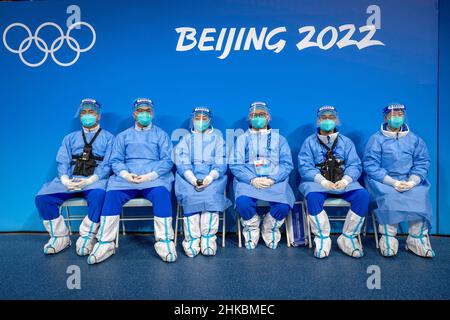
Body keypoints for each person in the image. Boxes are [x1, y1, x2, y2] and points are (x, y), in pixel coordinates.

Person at [87, 98, 176, 264]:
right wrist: (126, 174)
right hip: (126, 180)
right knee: (112, 195)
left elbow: (167, 160)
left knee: (161, 194)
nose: (144, 114)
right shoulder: (123, 136)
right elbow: (115, 160)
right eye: (141, 111)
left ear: (152, 114)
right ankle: (105, 243)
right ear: (134, 114)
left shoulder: (161, 135)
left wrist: (151, 175)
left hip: (153, 179)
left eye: (148, 111)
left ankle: (165, 242)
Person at [35, 98, 114, 256]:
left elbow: (108, 163)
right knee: (43, 197)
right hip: (72, 178)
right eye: (83, 112)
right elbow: (62, 160)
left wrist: (92, 179)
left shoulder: (109, 138)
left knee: (100, 195)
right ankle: (60, 237)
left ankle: (87, 236)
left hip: (95, 180)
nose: (87, 115)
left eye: (91, 112)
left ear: (98, 116)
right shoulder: (69, 138)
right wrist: (64, 179)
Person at [363, 103, 434, 258]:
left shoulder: (415, 140)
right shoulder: (376, 140)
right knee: (390, 197)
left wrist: (413, 181)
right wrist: (392, 182)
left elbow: (422, 163)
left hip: (409, 180)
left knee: (419, 196)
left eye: (400, 114)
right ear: (386, 117)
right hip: (383, 181)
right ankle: (388, 239)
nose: (397, 117)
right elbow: (371, 165)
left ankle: (417, 239)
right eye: (393, 114)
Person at [298, 105, 369, 259]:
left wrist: (345, 180)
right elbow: (305, 167)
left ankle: (348, 237)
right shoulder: (309, 142)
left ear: (337, 120)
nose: (327, 121)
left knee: (362, 196)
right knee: (313, 197)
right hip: (317, 182)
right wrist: (322, 181)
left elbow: (354, 165)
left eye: (331, 118)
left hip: (342, 181)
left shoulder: (346, 142)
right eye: (324, 118)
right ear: (318, 121)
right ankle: (322, 238)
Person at [230, 102, 295, 250]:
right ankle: (252, 228)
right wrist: (251, 179)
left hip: (274, 181)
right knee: (243, 203)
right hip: (249, 181)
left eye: (261, 115)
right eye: (254, 115)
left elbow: (287, 164)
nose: (258, 118)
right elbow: (235, 164)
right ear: (249, 118)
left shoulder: (280, 139)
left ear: (268, 117)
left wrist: (273, 178)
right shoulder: (242, 139)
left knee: (283, 205)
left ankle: (269, 227)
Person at [174, 107, 232, 257]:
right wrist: (192, 179)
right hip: (188, 179)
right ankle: (192, 240)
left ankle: (208, 239)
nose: (200, 121)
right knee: (189, 196)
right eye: (197, 118)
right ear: (192, 120)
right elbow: (182, 161)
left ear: (209, 121)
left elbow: (221, 161)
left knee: (211, 196)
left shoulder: (218, 140)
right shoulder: (185, 140)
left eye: (204, 118)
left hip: (213, 179)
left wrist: (211, 176)